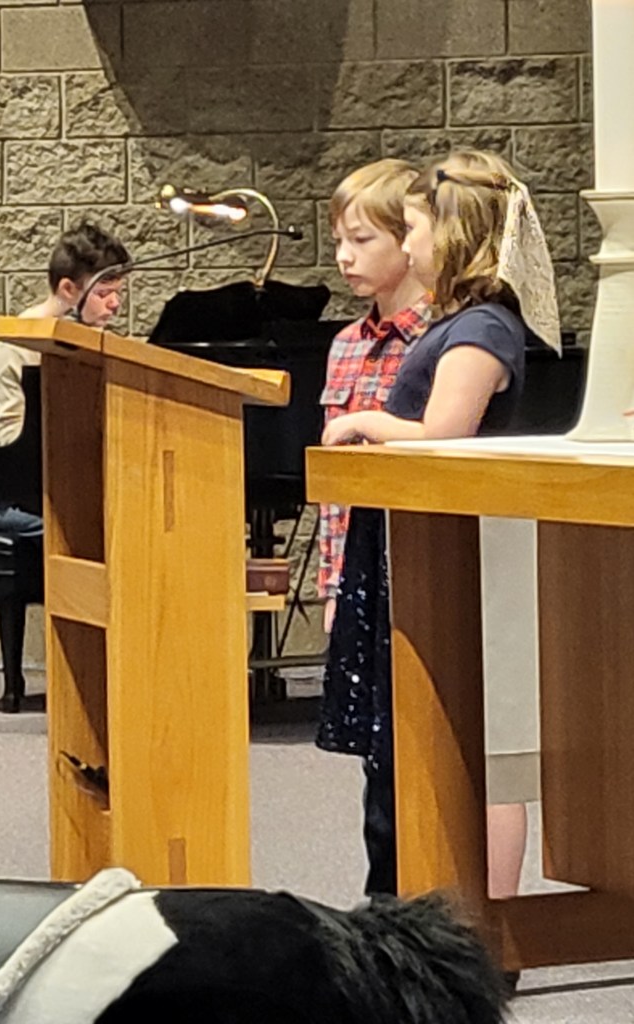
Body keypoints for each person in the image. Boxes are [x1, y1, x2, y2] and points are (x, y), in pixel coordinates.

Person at [318, 150, 561, 900]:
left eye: (414, 228)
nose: (410, 244)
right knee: (408, 750)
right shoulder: (461, 324)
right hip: (408, 553)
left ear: (456, 236)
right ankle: (412, 906)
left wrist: (364, 422)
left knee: (479, 750)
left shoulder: (484, 328)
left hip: (457, 557)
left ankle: (484, 927)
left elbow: (445, 430)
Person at [318, 159, 431, 636]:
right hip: (353, 570)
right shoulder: (346, 343)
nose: (345, 257)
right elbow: (334, 490)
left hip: (417, 571)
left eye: (362, 241)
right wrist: (331, 584)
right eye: (339, 242)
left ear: (406, 241)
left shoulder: (441, 338)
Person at [0, 221, 130, 534]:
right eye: (104, 293)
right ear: (68, 289)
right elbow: (3, 442)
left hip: (63, 491)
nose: (115, 304)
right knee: (89, 536)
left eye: (119, 293)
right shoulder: (9, 346)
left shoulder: (93, 345)